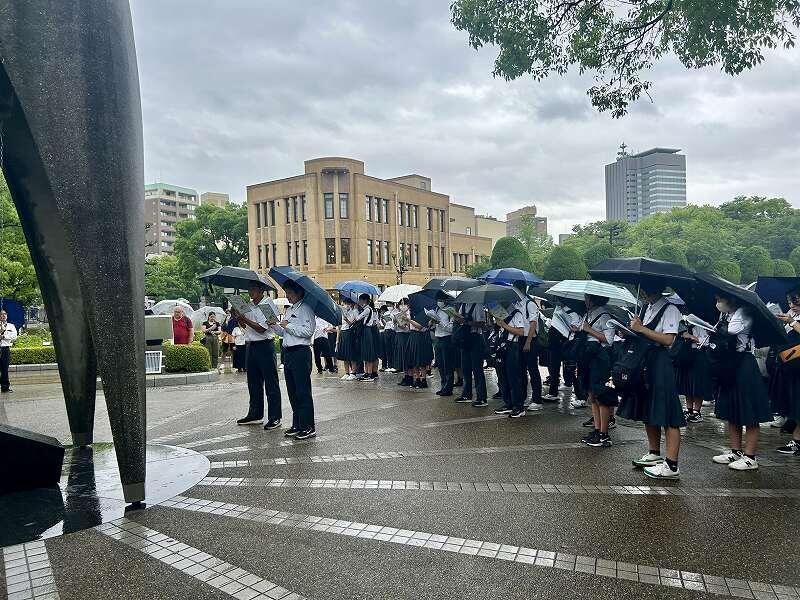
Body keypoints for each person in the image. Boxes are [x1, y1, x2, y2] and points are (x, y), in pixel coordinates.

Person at [619, 285, 685, 479]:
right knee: (649, 408)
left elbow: (668, 340)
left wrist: (641, 329)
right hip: (645, 361)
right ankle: (654, 453)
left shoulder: (670, 309)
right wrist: (631, 331)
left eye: (649, 288)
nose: (645, 293)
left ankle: (672, 465)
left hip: (661, 363)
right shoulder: (647, 307)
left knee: (668, 412)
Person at [711, 294, 772, 470]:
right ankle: (735, 451)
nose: (718, 303)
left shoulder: (744, 312)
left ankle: (750, 457)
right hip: (729, 363)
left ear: (731, 299)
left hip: (744, 363)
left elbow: (732, 330)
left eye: (720, 299)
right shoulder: (726, 314)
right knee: (732, 409)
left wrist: (721, 322)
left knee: (749, 409)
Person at [268, 279, 316, 439]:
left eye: (289, 293)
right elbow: (283, 333)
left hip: (301, 352)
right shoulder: (289, 310)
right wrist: (275, 325)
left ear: (298, 293)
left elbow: (308, 331)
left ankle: (308, 426)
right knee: (292, 391)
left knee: (303, 391)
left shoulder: (306, 309)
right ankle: (297, 424)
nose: (287, 296)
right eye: (286, 292)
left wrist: (288, 325)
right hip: (288, 352)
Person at [231, 282, 282, 430]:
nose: (250, 292)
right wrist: (239, 317)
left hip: (265, 345)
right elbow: (246, 327)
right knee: (253, 382)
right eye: (249, 289)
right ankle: (255, 413)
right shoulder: (250, 305)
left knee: (271, 383)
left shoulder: (268, 305)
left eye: (253, 289)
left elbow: (261, 328)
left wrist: (244, 318)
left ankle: (275, 416)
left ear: (261, 290)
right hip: (251, 345)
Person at [575, 295, 617, 448]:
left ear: (594, 299)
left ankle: (604, 435)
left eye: (587, 298)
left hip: (600, 359)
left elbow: (609, 339)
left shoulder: (604, 315)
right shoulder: (589, 313)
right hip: (588, 357)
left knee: (601, 396)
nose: (585, 300)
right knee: (592, 395)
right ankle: (597, 430)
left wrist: (588, 329)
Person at [773, 290, 800, 456]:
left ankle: (797, 441)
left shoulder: (793, 318)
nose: (792, 306)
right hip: (791, 366)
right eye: (790, 302)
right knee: (794, 402)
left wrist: (791, 322)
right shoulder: (791, 314)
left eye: (796, 303)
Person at [492, 304, 528, 417]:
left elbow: (521, 332)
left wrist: (504, 325)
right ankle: (508, 404)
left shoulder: (516, 313)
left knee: (513, 378)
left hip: (512, 346)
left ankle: (519, 406)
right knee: (502, 377)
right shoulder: (499, 314)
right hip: (501, 347)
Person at [512, 282, 544, 410]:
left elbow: (533, 324)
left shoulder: (530, 304)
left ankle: (537, 399)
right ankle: (523, 396)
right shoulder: (516, 304)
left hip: (530, 339)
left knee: (533, 370)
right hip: (519, 338)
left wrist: (528, 342)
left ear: (520, 290)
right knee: (520, 370)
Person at [675, 323, 713, 423]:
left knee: (697, 384)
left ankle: (697, 411)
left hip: (699, 356)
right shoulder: (685, 324)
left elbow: (706, 342)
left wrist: (691, 337)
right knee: (687, 383)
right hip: (686, 355)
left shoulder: (704, 325)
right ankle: (689, 409)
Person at [545, 302, 582, 402]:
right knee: (553, 368)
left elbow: (577, 327)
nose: (557, 302)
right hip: (554, 343)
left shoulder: (573, 312)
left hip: (566, 343)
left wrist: (573, 328)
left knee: (570, 368)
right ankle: (553, 392)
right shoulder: (557, 309)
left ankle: (580, 395)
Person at [455, 303, 487, 406]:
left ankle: (481, 397)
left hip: (476, 338)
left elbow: (482, 323)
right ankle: (466, 394)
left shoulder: (478, 305)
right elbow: (459, 319)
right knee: (465, 368)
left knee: (477, 369)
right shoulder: (463, 306)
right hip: (464, 339)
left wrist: (467, 322)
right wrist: (457, 319)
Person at [428, 294, 455, 397]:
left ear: (445, 300)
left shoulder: (450, 310)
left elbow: (451, 328)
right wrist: (432, 322)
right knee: (440, 365)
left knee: (447, 364)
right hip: (438, 338)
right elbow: (432, 326)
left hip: (447, 339)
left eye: (441, 300)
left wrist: (440, 323)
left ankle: (448, 388)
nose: (439, 302)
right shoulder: (437, 310)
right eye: (438, 299)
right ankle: (443, 385)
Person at [355, 293, 379, 381]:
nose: (359, 302)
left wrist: (356, 310)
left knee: (368, 351)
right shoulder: (367, 309)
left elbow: (357, 318)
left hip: (367, 330)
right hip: (366, 331)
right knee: (366, 351)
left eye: (360, 300)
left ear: (364, 300)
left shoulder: (368, 309)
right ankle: (367, 372)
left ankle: (369, 373)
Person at [336, 297, 358, 380]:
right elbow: (339, 325)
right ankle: (346, 372)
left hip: (350, 333)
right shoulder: (342, 313)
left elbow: (354, 324)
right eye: (345, 304)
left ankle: (353, 372)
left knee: (351, 353)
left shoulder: (354, 312)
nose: (346, 306)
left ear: (351, 304)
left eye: (348, 304)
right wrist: (337, 339)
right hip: (343, 332)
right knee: (344, 353)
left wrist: (347, 320)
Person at [395, 299, 413, 386]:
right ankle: (406, 376)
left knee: (408, 356)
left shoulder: (410, 314)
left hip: (406, 336)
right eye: (401, 305)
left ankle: (410, 376)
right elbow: (396, 328)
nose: (402, 306)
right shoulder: (398, 314)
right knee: (402, 356)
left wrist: (405, 321)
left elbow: (408, 328)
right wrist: (397, 323)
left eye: (404, 304)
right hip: (399, 336)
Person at [0, 309, 18, 393]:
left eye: (5, 314)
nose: (3, 316)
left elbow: (14, 336)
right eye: (1, 314)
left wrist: (4, 337)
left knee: (4, 369)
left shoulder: (11, 326)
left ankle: (5, 387)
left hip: (5, 349)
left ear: (7, 316)